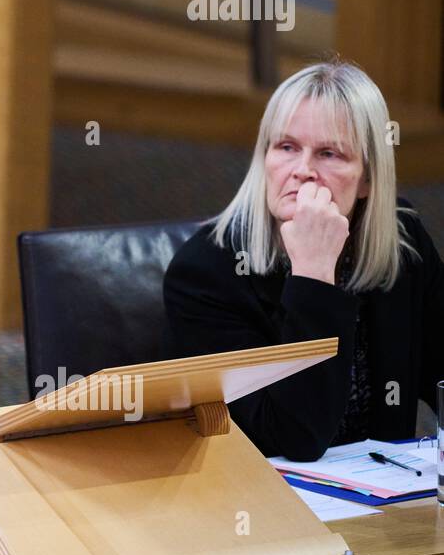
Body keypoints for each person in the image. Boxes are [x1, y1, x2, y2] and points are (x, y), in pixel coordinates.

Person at [163, 59, 443, 461]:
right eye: (287, 147)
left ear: (367, 178)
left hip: (388, 502)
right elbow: (294, 438)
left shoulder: (401, 241)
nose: (303, 171)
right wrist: (313, 274)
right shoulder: (208, 272)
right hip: (267, 506)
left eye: (329, 153)